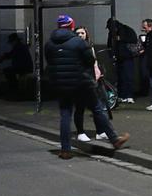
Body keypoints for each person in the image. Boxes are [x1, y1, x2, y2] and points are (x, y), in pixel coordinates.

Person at [45, 15, 129, 160]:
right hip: (81, 83)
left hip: (61, 84)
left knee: (65, 115)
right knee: (97, 109)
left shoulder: (50, 44)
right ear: (71, 26)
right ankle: (114, 139)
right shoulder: (78, 42)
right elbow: (90, 60)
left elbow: (50, 62)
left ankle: (65, 150)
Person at [73, 27, 108, 143]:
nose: (80, 35)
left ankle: (100, 131)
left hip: (92, 79)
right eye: (77, 33)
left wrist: (97, 73)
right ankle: (80, 132)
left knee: (96, 107)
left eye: (82, 33)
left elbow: (94, 62)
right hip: (81, 81)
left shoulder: (89, 46)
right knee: (80, 107)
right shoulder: (75, 47)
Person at [105, 18, 140, 103]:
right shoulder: (116, 32)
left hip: (126, 57)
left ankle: (128, 95)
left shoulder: (126, 30)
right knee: (122, 78)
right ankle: (123, 95)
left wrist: (120, 38)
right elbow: (109, 45)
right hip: (121, 57)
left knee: (127, 77)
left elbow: (133, 40)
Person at [0, 32, 34, 100]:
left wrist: (3, 56)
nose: (11, 44)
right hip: (26, 67)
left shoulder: (18, 47)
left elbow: (11, 55)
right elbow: (12, 54)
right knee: (9, 71)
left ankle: (14, 88)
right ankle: (14, 88)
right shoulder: (20, 46)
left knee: (8, 71)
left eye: (11, 42)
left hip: (23, 67)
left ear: (14, 41)